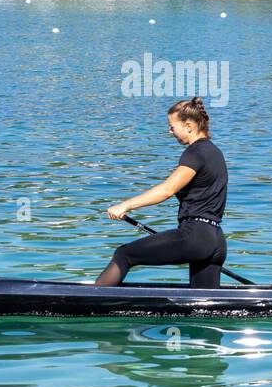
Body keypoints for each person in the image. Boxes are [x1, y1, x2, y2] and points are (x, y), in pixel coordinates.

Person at [95, 98, 228, 288]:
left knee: (124, 255)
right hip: (216, 240)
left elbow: (167, 190)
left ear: (188, 126)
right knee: (203, 306)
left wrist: (125, 205)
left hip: (195, 237)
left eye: (172, 126)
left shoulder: (195, 152)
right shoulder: (215, 152)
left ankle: (87, 301)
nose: (170, 131)